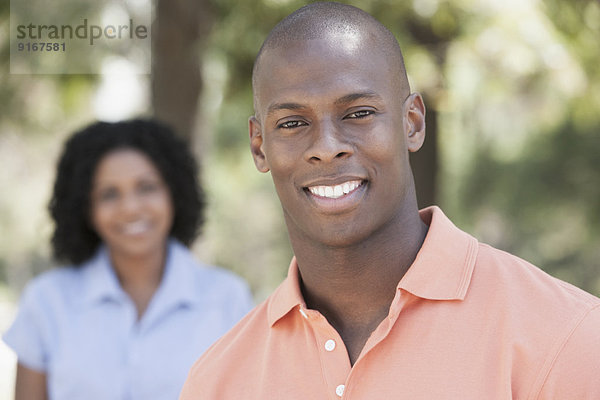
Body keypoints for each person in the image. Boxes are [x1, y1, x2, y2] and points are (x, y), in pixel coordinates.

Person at [179, 2, 600, 399]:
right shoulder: (218, 380)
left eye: (358, 113)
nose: (327, 147)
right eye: (292, 123)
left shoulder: (565, 338)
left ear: (412, 123)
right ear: (259, 146)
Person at [3, 119, 254, 400]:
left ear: (174, 193)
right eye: (109, 194)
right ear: (85, 208)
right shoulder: (46, 302)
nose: (131, 208)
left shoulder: (228, 300)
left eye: (146, 187)